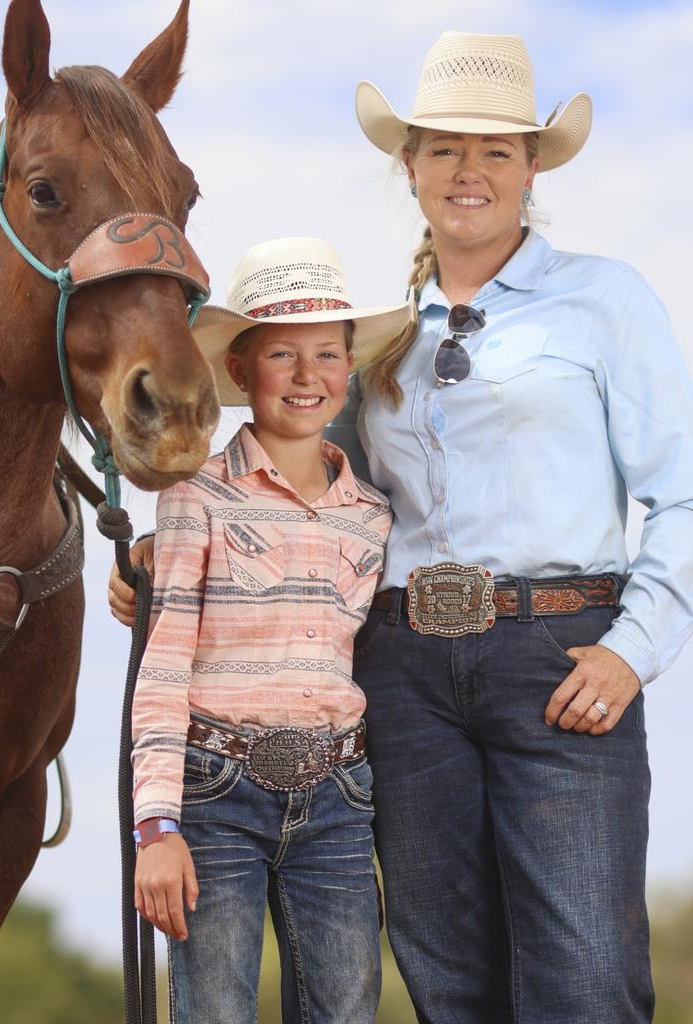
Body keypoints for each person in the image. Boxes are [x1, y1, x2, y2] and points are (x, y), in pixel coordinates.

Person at [329, 29, 693, 1024]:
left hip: (560, 662)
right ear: (409, 168)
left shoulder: (604, 300)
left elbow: (685, 488)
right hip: (401, 677)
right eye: (445, 147)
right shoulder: (377, 338)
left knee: (583, 981)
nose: (469, 170)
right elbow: (319, 502)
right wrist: (170, 563)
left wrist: (633, 650)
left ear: (533, 166)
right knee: (448, 981)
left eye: (495, 149)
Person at [120, 236, 411, 1024]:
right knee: (214, 1008)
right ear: (242, 372)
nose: (308, 375)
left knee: (346, 1008)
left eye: (326, 353)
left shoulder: (373, 517)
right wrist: (157, 825)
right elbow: (165, 662)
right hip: (217, 789)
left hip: (340, 797)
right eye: (283, 353)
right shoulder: (195, 497)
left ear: (349, 366)